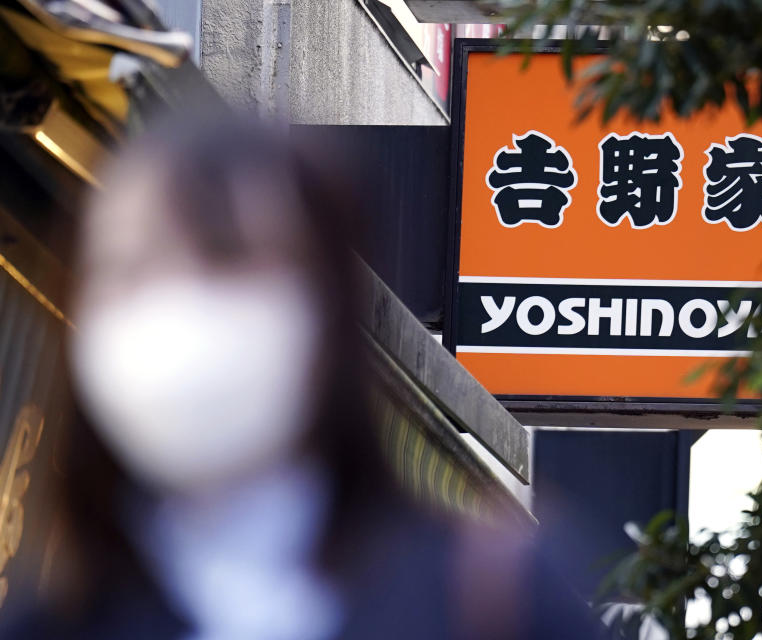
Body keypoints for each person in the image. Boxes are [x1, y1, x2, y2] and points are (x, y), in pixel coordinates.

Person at [0, 113, 602, 640]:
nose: (176, 303)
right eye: (125, 268)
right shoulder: (50, 624)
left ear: (326, 303)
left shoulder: (496, 599)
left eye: (226, 255)